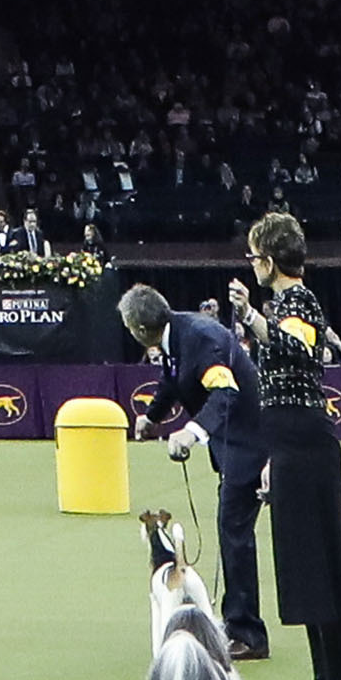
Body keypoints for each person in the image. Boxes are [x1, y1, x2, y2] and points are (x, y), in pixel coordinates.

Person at [243, 214, 341, 680]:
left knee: (322, 570)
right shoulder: (287, 304)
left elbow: (295, 348)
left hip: (306, 447)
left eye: (254, 256)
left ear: (270, 260)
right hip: (290, 447)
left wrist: (253, 319)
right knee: (306, 573)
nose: (252, 266)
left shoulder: (299, 301)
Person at [126, 278, 277, 660]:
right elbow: (173, 381)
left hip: (248, 442)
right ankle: (236, 619)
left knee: (234, 531)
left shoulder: (201, 338)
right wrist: (152, 417)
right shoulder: (175, 337)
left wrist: (190, 433)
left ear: (139, 329)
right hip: (230, 445)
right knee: (231, 528)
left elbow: (226, 393)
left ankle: (248, 634)